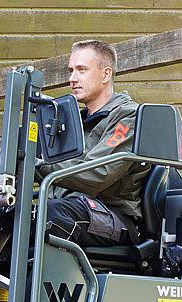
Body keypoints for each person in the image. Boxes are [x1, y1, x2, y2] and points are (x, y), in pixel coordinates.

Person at [46, 39, 145, 248]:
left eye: (81, 70)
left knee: (52, 214)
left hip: (114, 216)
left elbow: (97, 174)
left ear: (106, 74)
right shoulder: (75, 122)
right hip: (73, 208)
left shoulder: (128, 116)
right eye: (71, 70)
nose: (72, 78)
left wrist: (38, 166)